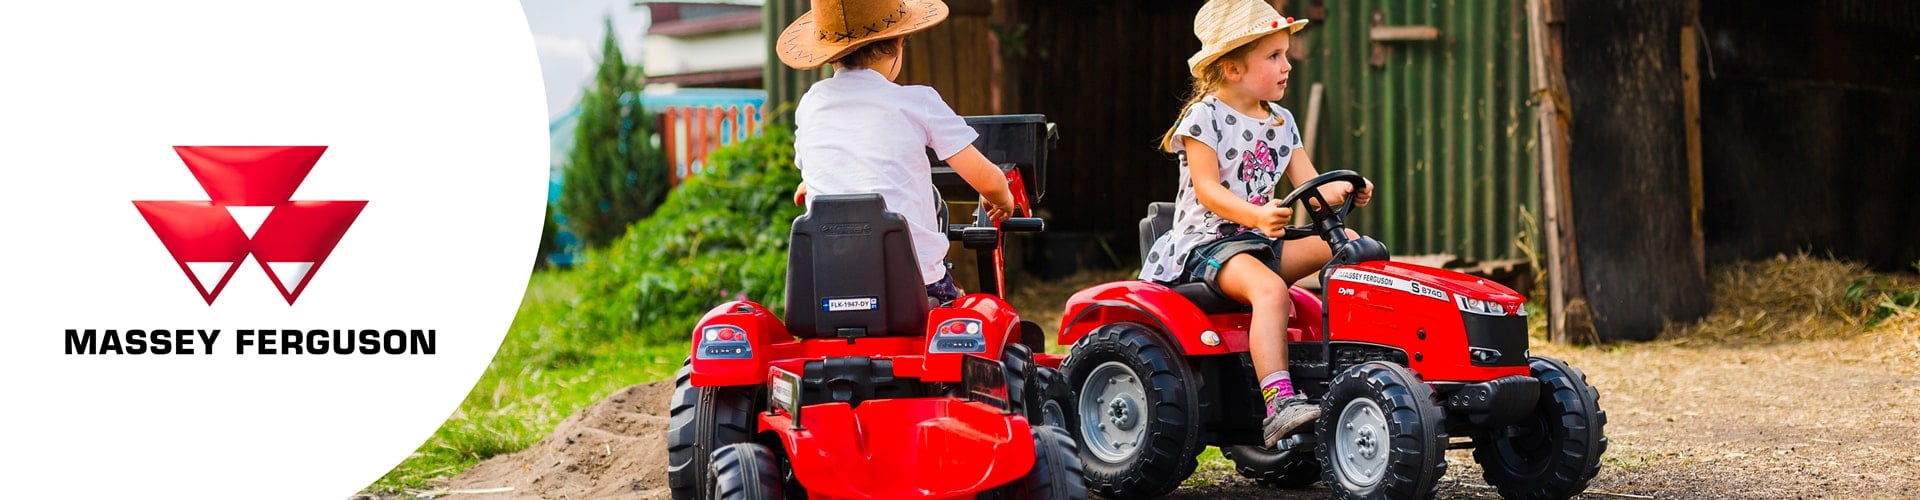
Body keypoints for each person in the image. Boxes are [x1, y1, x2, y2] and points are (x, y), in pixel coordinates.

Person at [1141, 0, 1375, 446]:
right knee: (1270, 291)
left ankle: (1354, 365)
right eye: (1273, 56)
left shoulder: (1282, 120)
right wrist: (1257, 215)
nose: (1287, 65)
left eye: (1286, 54)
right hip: (1207, 245)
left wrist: (1348, 187)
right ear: (1232, 69)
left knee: (1351, 248)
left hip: (1258, 240)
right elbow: (1208, 191)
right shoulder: (1204, 116)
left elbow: (1312, 185)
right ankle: (1279, 404)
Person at [777, 0, 1017, 304]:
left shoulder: (811, 104)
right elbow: (988, 181)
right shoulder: (918, 102)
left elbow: (818, 165)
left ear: (830, 56)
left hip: (827, 289)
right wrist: (1002, 198)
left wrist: (809, 184)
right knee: (962, 302)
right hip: (915, 289)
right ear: (898, 44)